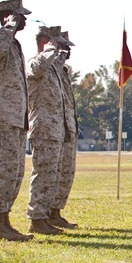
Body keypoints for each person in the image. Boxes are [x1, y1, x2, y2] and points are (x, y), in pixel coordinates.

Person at [0, 0, 34, 241]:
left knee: (15, 172)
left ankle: (4, 221)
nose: (25, 19)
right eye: (20, 16)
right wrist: (8, 26)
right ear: (9, 17)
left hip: (16, 117)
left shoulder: (15, 45)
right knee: (4, 170)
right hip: (3, 115)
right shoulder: (0, 39)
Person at [26, 25, 67, 234]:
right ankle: (36, 218)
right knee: (42, 175)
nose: (59, 47)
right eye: (56, 42)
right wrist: (50, 50)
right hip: (43, 129)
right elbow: (36, 68)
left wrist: (59, 55)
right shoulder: (35, 62)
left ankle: (44, 216)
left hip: (54, 131)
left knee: (51, 176)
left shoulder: (52, 68)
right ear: (45, 41)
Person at [50, 30, 79, 229]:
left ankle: (54, 212)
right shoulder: (42, 65)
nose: (66, 51)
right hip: (49, 128)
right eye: (63, 46)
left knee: (65, 173)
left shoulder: (61, 72)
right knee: (49, 173)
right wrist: (53, 50)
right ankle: (41, 216)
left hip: (65, 128)